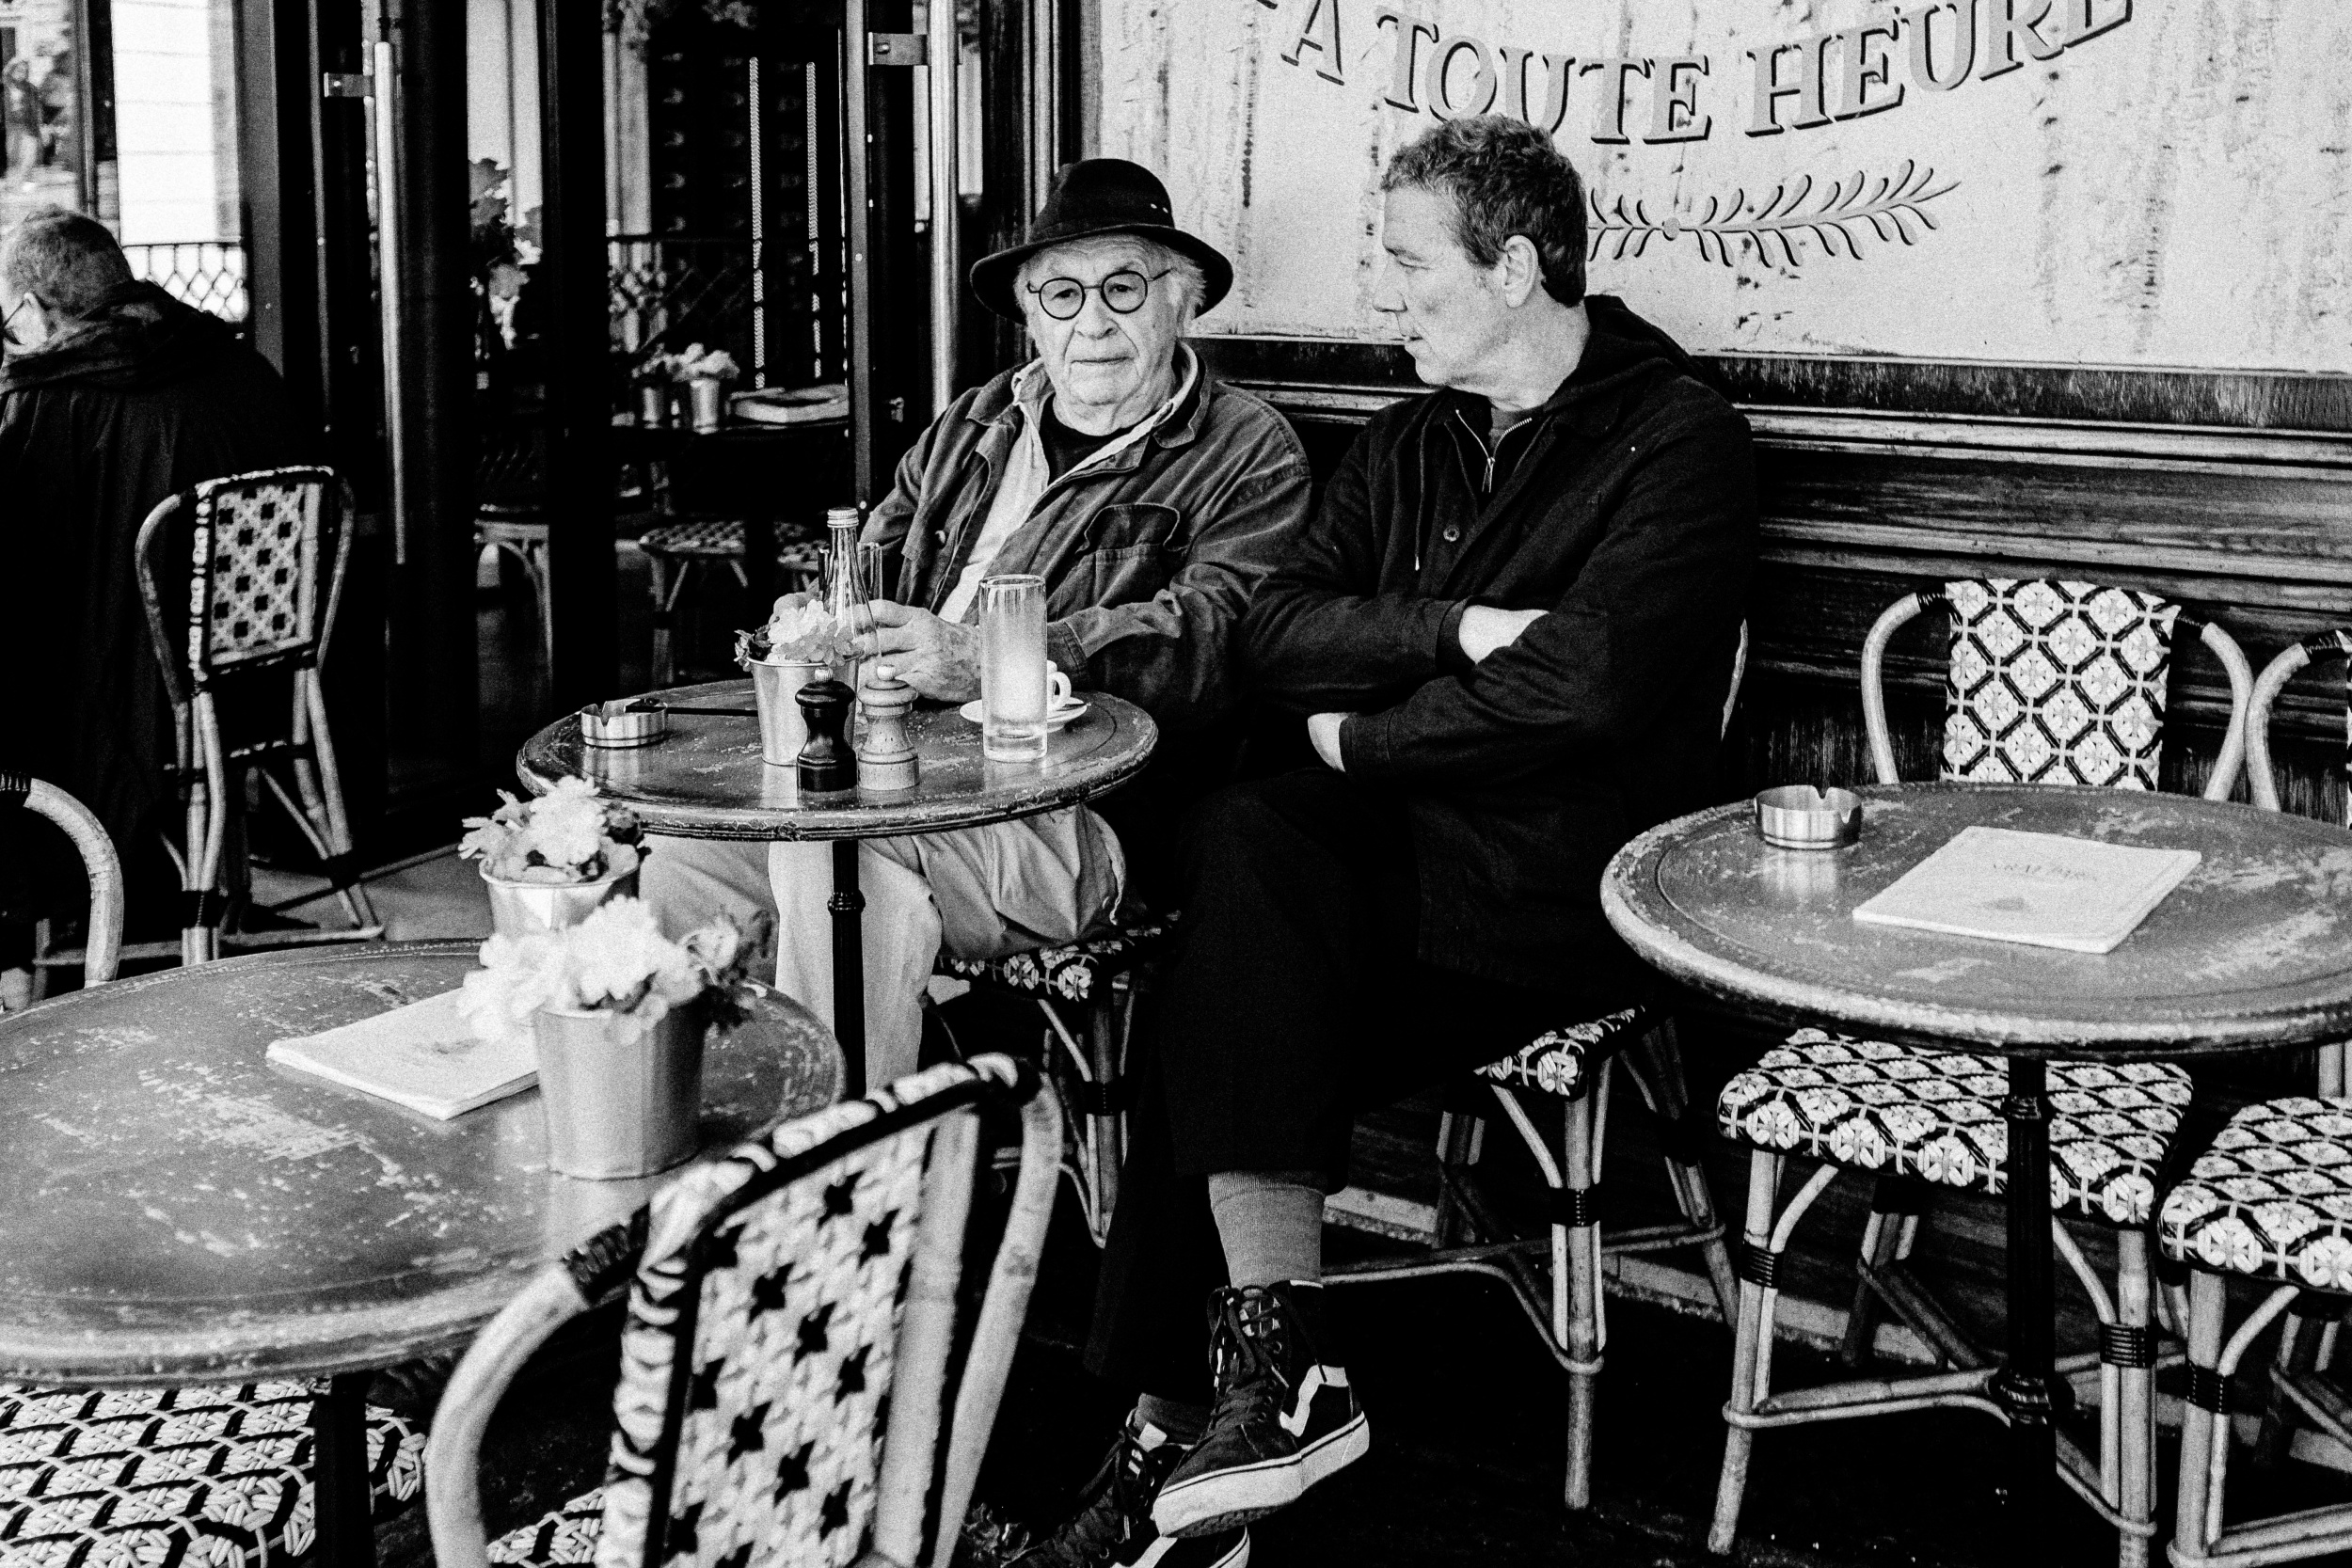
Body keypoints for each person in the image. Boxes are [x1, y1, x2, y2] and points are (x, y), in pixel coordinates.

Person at [1017, 117, 1758, 1567]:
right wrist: (1455, 632)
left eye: (1410, 262)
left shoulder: (1677, 438)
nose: (1385, 292)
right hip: (1386, 875)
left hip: (1560, 896)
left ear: (1514, 267)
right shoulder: (1412, 438)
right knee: (1236, 932)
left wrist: (1361, 740)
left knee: (1219, 994)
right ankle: (1254, 1390)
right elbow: (1278, 632)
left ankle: (1169, 1441)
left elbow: (1586, 687)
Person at [641, 160, 1311, 1086]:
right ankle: (699, 1135)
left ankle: (846, 1154)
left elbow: (1212, 640)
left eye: (1123, 287)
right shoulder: (978, 420)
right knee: (683, 856)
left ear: (1180, 303)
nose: (1091, 321)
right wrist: (825, 617)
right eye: (1061, 293)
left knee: (833, 860)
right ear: (1030, 312)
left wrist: (993, 660)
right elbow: (875, 558)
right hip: (899, 770)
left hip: (1079, 818)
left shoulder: (1246, 449)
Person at [0, 208, 306, 961]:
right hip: (266, 678)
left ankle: (49, 921)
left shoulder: (52, 397)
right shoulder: (238, 365)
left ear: (34, 310)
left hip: (137, 706)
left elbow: (25, 566)